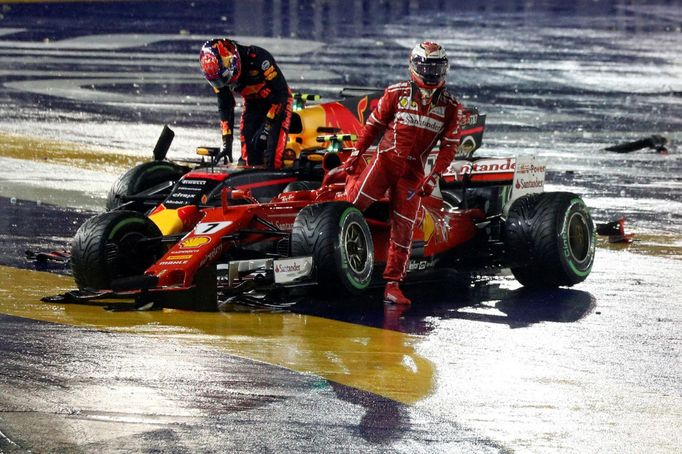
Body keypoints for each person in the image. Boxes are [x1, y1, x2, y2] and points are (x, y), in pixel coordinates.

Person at [345, 41, 464, 305]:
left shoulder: (452, 108)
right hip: (384, 163)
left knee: (404, 229)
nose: (431, 73)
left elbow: (449, 148)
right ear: (414, 66)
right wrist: (356, 154)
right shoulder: (396, 93)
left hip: (413, 175)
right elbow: (373, 126)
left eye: (436, 67)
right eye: (426, 66)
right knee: (350, 207)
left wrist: (433, 176)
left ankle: (393, 284)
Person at [199, 38, 292, 169]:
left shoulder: (260, 59)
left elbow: (281, 94)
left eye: (225, 79)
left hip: (277, 103)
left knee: (273, 158)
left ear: (233, 62)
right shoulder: (218, 74)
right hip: (252, 103)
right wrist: (227, 143)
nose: (224, 84)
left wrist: (267, 126)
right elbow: (225, 106)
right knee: (249, 155)